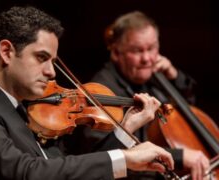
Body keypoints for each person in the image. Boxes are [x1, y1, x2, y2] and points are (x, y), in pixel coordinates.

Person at [0, 6, 175, 180]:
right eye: (41, 57)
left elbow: (69, 171)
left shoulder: (24, 109)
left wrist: (125, 130)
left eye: (53, 62)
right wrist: (125, 158)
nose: (52, 72)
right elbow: (25, 172)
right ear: (6, 52)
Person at [89, 11, 210, 180]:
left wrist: (174, 77)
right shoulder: (101, 90)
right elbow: (102, 156)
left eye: (151, 48)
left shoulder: (155, 79)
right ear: (116, 53)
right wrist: (179, 156)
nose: (147, 58)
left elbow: (185, 115)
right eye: (137, 50)